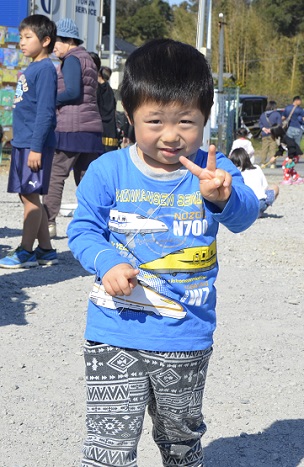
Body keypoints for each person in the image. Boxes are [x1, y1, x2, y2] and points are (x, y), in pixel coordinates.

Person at [67, 38, 259, 467]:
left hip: (185, 335)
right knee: (108, 446)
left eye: (186, 122)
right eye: (154, 120)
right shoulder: (107, 170)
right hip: (113, 330)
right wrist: (107, 261)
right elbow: (82, 230)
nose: (171, 135)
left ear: (205, 119)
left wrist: (221, 197)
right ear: (130, 115)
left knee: (179, 441)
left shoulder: (214, 168)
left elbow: (244, 217)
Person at [0, 15, 58, 269]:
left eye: (27, 37)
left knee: (31, 196)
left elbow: (45, 112)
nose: (22, 42)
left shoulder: (45, 69)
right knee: (29, 195)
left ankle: (26, 251)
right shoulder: (33, 67)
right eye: (21, 37)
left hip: (35, 145)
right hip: (24, 143)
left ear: (45, 41)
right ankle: (45, 249)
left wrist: (35, 148)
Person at [43, 18, 103, 239]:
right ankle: (97, 223)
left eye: (55, 43)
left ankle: (48, 223)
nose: (53, 48)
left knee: (55, 176)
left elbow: (72, 93)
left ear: (67, 40)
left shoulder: (71, 59)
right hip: (90, 128)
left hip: (71, 127)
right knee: (87, 179)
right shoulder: (87, 58)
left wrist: (48, 98)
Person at [229, 147, 279, 217]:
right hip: (260, 203)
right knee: (275, 187)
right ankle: (258, 212)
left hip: (243, 205)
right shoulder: (257, 168)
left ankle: (248, 214)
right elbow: (265, 187)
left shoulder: (234, 172)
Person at [97, 65, 119, 152]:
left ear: (99, 75)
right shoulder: (110, 91)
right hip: (111, 130)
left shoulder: (98, 89)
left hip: (100, 129)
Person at [258, 100, 282, 168]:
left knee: (264, 149)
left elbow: (260, 123)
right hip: (273, 134)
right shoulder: (277, 114)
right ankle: (272, 164)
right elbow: (279, 124)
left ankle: (263, 163)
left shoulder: (263, 114)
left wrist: (264, 129)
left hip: (264, 134)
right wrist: (271, 129)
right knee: (272, 149)